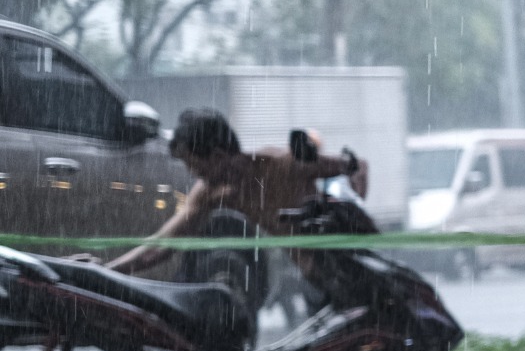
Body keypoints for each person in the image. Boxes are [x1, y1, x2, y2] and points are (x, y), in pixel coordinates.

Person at [107, 107, 368, 277]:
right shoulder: (210, 193)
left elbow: (358, 167)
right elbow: (161, 245)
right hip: (314, 274)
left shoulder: (282, 165)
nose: (192, 174)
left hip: (352, 260)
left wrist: (353, 189)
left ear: (219, 156)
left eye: (195, 165)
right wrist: (107, 271)